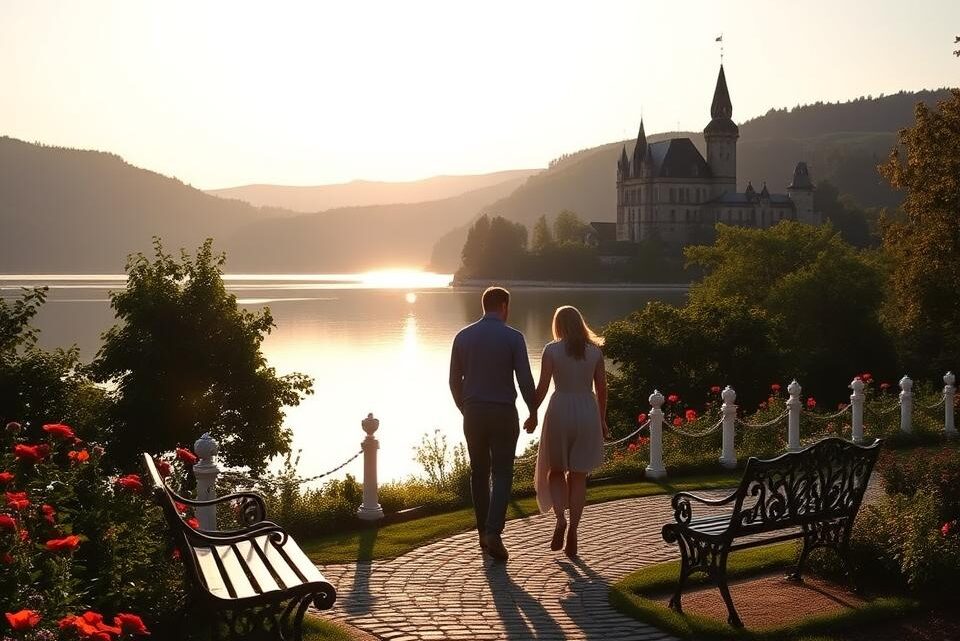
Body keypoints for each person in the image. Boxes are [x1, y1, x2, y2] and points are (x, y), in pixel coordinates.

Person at [449, 286, 536, 562]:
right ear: (504, 306)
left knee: (478, 473)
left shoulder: (462, 337)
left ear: (483, 305)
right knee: (501, 473)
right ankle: (493, 533)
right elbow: (524, 379)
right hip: (502, 412)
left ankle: (482, 534)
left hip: (473, 412)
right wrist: (533, 410)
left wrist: (464, 407)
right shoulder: (514, 337)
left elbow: (454, 381)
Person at [526, 305, 608, 557]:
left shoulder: (551, 350)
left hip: (560, 408)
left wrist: (532, 413)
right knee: (579, 476)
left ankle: (560, 518)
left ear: (558, 325)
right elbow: (603, 389)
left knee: (556, 470)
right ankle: (573, 530)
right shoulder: (594, 352)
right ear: (580, 324)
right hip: (586, 409)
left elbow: (542, 387)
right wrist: (602, 420)